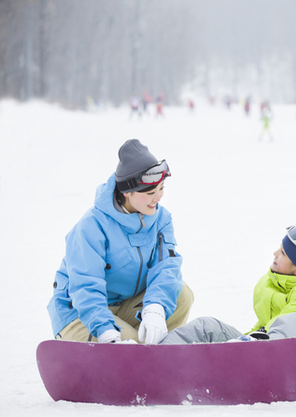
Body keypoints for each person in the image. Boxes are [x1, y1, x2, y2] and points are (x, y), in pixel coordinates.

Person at [47, 139, 194, 344]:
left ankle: (160, 348)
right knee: (133, 348)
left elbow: (167, 266)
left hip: (123, 306)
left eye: (161, 188)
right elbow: (85, 285)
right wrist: (104, 329)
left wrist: (156, 308)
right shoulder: (92, 226)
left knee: (182, 295)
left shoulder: (161, 219)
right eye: (150, 193)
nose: (158, 197)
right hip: (80, 313)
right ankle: (130, 352)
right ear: (126, 192)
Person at [160, 222, 296, 344]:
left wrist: (254, 341)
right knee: (206, 326)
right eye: (280, 248)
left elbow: (286, 332)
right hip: (259, 346)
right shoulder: (273, 281)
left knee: (293, 319)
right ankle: (157, 357)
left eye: (283, 254)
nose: (275, 253)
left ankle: (256, 352)